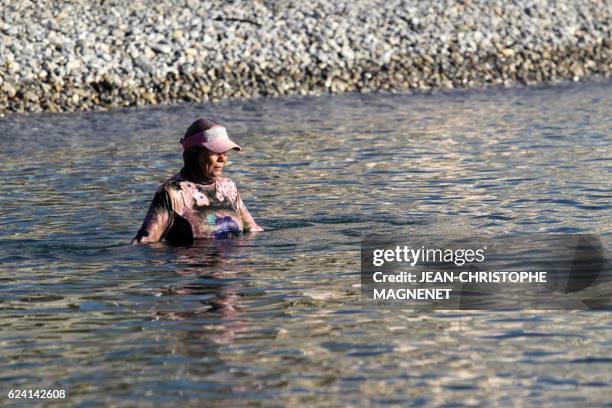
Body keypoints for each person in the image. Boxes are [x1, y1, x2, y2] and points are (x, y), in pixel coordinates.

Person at [131, 118, 263, 244]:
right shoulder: (172, 193)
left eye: (225, 152)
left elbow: (253, 231)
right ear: (193, 154)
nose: (222, 158)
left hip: (231, 266)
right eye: (216, 151)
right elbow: (145, 244)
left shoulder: (228, 188)